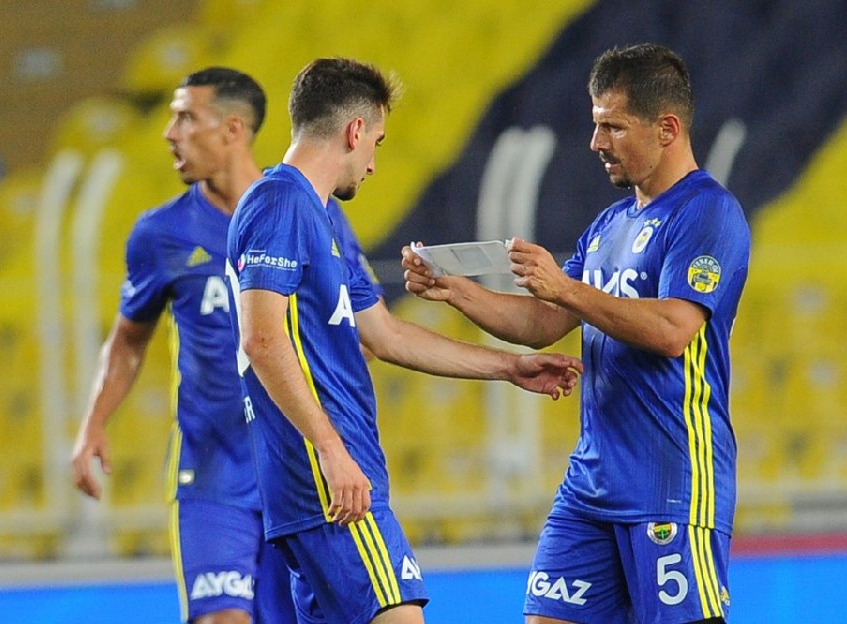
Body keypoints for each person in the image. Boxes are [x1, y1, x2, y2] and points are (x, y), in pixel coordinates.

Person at [225, 57, 583, 624]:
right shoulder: (280, 204)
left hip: (329, 482)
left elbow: (386, 334)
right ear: (355, 131)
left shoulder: (322, 219)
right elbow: (262, 340)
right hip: (331, 485)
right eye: (378, 143)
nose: (371, 166)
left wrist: (509, 366)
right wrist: (332, 450)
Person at [402, 43, 751, 623]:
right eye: (595, 126)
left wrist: (567, 289)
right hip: (592, 482)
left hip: (672, 481)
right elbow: (544, 325)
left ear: (667, 128)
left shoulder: (707, 214)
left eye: (612, 126)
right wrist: (454, 290)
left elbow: (673, 330)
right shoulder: (610, 224)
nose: (596, 143)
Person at [70, 67, 298, 624]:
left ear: (232, 129)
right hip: (211, 473)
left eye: (185, 117)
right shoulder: (160, 233)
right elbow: (128, 340)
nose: (170, 133)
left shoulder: (302, 215)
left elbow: (355, 328)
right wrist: (94, 421)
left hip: (294, 469)